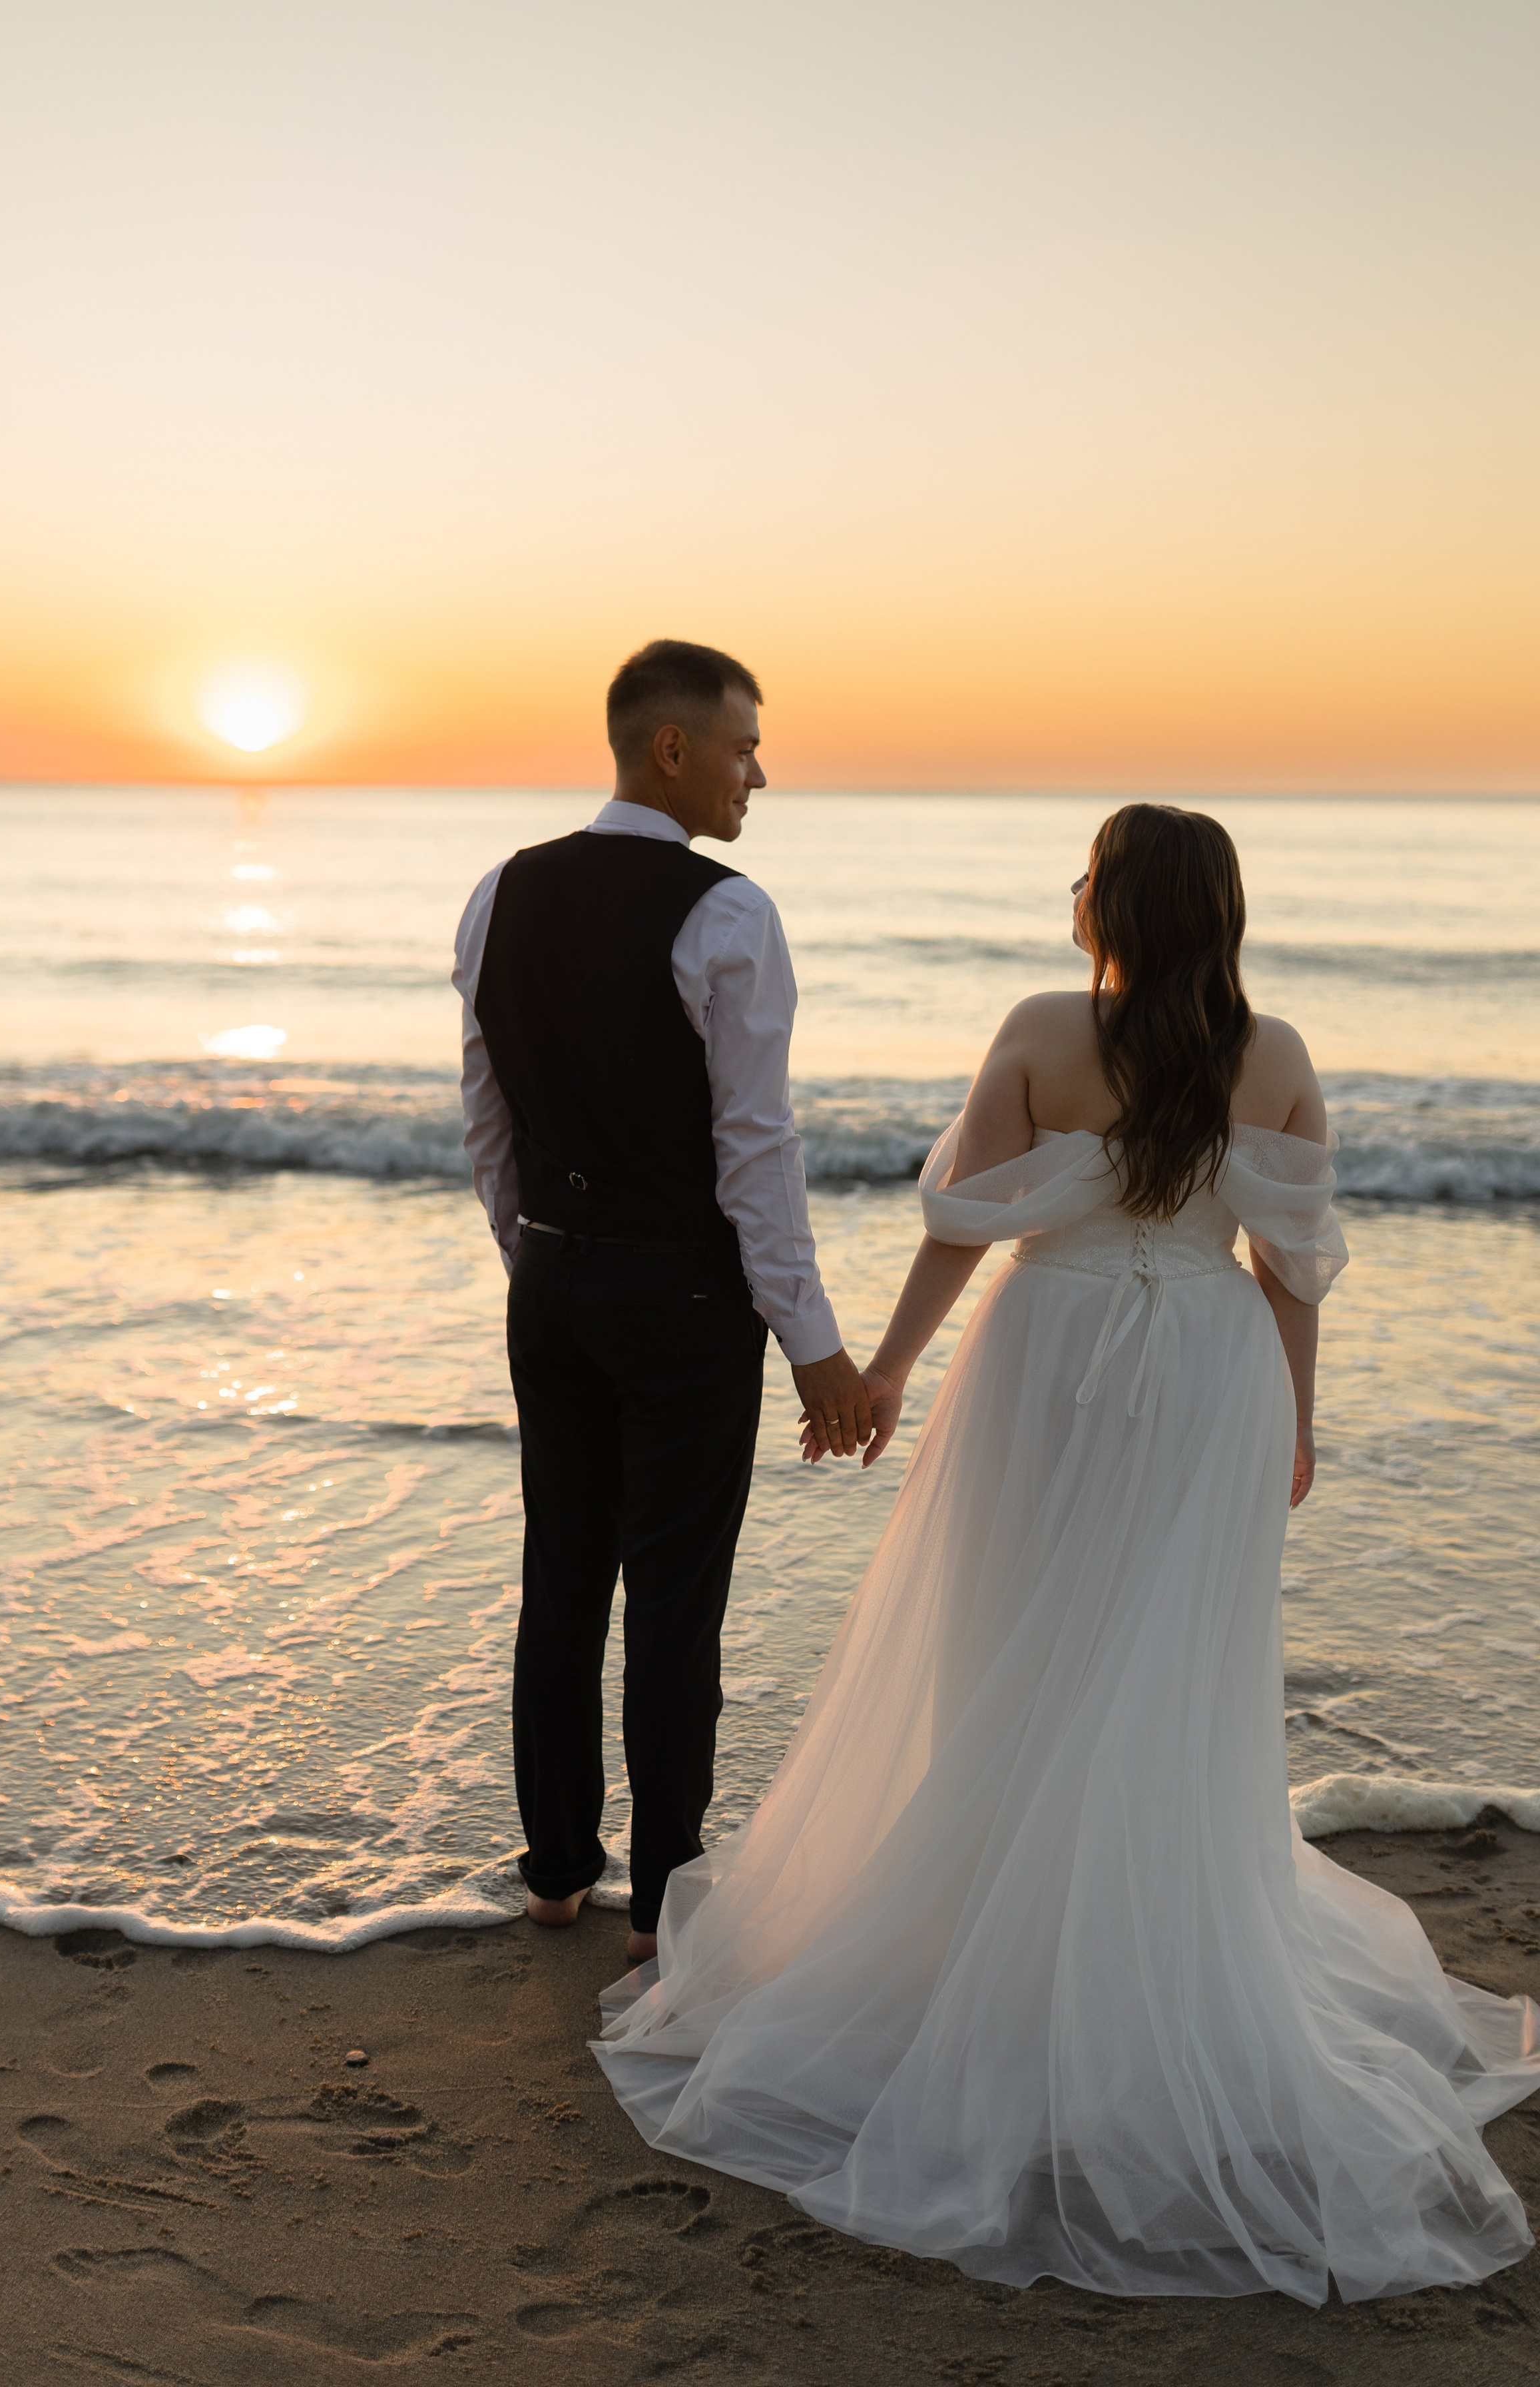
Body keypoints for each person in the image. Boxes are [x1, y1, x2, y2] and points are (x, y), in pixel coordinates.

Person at [593, 802, 1540, 2303]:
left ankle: (995, 1950)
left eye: (1088, 874)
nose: (1071, 890)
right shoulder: (1275, 1054)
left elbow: (961, 1228)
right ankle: (1132, 1955)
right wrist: (1295, 1419)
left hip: (1047, 1351)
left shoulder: (1042, 1027)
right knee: (1170, 1669)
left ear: (1126, 903)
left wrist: (888, 1369)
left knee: (1004, 1639)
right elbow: (1290, 1268)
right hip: (1211, 1374)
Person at [452, 639, 871, 1965]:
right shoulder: (728, 912)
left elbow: (485, 1117)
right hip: (683, 1297)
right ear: (671, 747)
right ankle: (668, 1898)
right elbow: (757, 1150)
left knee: (560, 1583)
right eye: (744, 745)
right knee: (673, 1606)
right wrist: (813, 1345)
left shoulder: (497, 892)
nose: (760, 772)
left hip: (554, 1277)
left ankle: (555, 1878)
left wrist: (539, 1262)